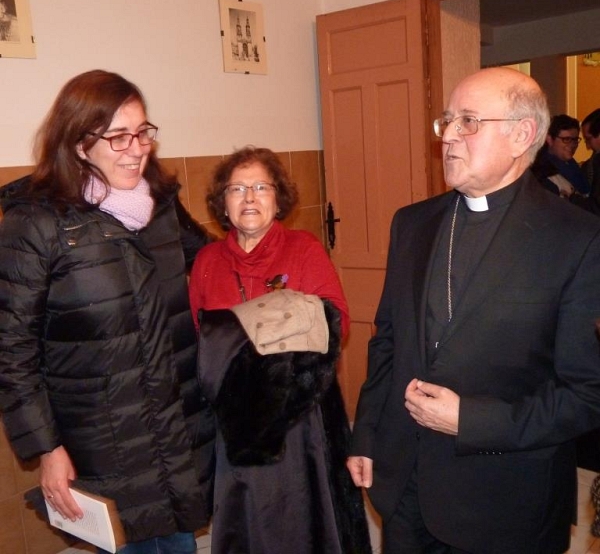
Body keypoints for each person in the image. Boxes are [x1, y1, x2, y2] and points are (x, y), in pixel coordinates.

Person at [347, 67, 600, 554]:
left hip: (504, 500)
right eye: (447, 121)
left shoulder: (579, 240)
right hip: (405, 487)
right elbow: (388, 341)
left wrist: (471, 419)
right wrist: (366, 434)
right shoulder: (413, 223)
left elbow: (587, 394)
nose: (449, 137)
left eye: (468, 121)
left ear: (521, 134)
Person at [0, 70, 214, 553]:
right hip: (103, 438)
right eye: (118, 137)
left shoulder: (158, 205)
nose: (137, 149)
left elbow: (212, 262)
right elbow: (12, 351)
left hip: (175, 427)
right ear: (78, 144)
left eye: (142, 133)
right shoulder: (36, 224)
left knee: (178, 543)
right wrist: (46, 449)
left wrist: (273, 254)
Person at [188, 146, 372, 554]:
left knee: (305, 527)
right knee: (247, 524)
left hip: (300, 419)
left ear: (278, 198)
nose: (249, 198)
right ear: (223, 202)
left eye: (260, 187)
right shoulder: (207, 261)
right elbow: (203, 337)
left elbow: (333, 323)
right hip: (236, 423)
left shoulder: (303, 249)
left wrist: (248, 341)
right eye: (237, 189)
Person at [531, 113, 589, 198]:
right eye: (566, 139)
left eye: (575, 139)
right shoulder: (541, 171)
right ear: (550, 139)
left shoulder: (572, 166)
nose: (572, 144)